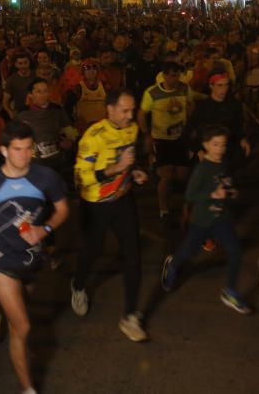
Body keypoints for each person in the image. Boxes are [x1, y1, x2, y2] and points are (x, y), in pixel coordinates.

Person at [0, 120, 69, 394]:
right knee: (21, 327)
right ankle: (28, 389)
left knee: (22, 306)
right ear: (3, 150)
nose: (24, 155)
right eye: (18, 149)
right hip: (0, 259)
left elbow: (62, 209)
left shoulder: (46, 177)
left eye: (28, 149)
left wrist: (43, 230)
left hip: (31, 259)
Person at [70, 88, 150, 342]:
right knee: (92, 250)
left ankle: (129, 316)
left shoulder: (132, 129)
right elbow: (80, 176)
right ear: (110, 110)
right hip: (97, 204)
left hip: (123, 200)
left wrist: (134, 171)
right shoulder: (93, 136)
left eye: (132, 110)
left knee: (133, 257)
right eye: (124, 110)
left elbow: (128, 160)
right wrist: (116, 168)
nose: (130, 115)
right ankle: (79, 285)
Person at [160, 125, 251, 315]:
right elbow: (190, 195)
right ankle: (173, 265)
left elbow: (225, 183)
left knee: (235, 252)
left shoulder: (223, 164)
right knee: (188, 251)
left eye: (223, 145)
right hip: (201, 221)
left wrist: (231, 192)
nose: (220, 149)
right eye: (215, 145)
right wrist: (212, 194)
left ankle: (230, 291)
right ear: (206, 145)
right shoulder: (202, 169)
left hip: (221, 218)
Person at [139, 61, 194, 227]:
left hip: (180, 138)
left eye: (177, 75)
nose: (174, 79)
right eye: (171, 75)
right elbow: (142, 114)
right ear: (164, 75)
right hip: (162, 139)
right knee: (167, 175)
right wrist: (147, 135)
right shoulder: (153, 93)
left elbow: (191, 105)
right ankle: (164, 210)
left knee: (183, 174)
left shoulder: (185, 89)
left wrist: (189, 124)